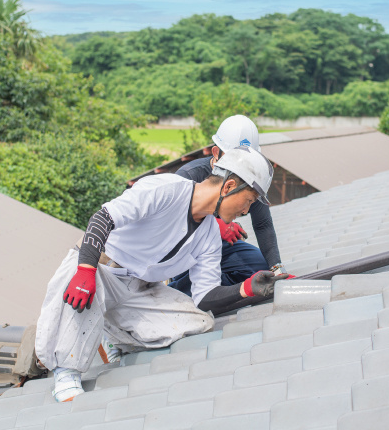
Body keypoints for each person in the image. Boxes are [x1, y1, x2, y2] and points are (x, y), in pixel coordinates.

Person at [35, 146, 291, 402]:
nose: (245, 211)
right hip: (99, 272)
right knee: (77, 307)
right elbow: (103, 218)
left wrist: (246, 288)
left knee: (200, 321)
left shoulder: (210, 236)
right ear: (228, 187)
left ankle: (113, 335)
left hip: (138, 289)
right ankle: (66, 372)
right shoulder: (168, 188)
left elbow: (205, 296)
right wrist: (85, 270)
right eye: (248, 201)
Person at [168, 115, 284, 296]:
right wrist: (214, 225)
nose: (240, 166)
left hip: (222, 248)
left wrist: (276, 268)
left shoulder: (249, 179)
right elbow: (171, 222)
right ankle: (177, 290)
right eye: (233, 156)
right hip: (188, 248)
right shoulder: (189, 175)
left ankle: (216, 286)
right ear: (216, 153)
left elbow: (263, 224)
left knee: (261, 269)